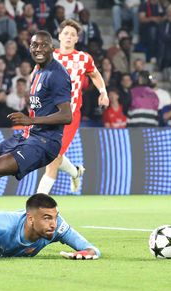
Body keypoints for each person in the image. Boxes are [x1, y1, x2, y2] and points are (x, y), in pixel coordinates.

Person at [0, 30, 72, 213]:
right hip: (27, 136)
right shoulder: (37, 70)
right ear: (30, 48)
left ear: (52, 47)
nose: (39, 49)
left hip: (44, 142)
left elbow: (67, 116)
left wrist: (30, 119)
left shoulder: (57, 75)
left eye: (44, 45)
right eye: (35, 45)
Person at [36, 20, 108, 195]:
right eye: (66, 33)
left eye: (73, 34)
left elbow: (95, 75)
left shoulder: (83, 58)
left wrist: (103, 92)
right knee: (50, 154)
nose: (69, 37)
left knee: (53, 158)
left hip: (69, 115)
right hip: (48, 114)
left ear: (77, 39)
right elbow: (35, 81)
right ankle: (75, 172)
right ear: (59, 36)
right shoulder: (48, 57)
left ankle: (37, 202)